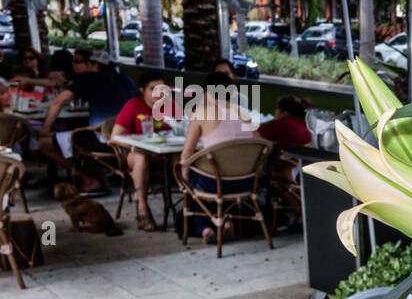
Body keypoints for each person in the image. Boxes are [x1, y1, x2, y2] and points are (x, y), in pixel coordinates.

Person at [179, 71, 256, 244]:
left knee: (196, 178)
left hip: (215, 183)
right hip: (247, 181)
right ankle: (226, 222)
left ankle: (205, 228)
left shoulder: (201, 113)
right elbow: (260, 142)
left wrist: (183, 182)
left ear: (206, 92)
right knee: (212, 174)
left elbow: (186, 155)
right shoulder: (243, 113)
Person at [36, 50, 134, 178]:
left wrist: (45, 129)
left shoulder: (90, 77)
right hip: (128, 143)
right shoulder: (127, 79)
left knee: (43, 142)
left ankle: (84, 177)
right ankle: (95, 175)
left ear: (95, 65)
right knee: (81, 133)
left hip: (103, 143)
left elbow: (58, 102)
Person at [111, 70, 175, 231]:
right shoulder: (133, 106)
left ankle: (193, 208)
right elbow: (114, 137)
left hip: (166, 153)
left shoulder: (171, 105)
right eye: (153, 89)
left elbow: (184, 129)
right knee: (141, 158)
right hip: (136, 153)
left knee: (187, 158)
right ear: (142, 90)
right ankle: (142, 208)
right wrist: (135, 145)